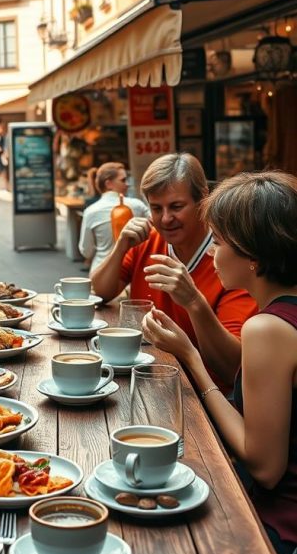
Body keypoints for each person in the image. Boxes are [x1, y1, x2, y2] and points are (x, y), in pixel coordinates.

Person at [142, 171, 297, 554]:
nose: (212, 252)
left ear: (253, 257)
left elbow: (265, 467)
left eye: (220, 241)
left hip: (281, 531)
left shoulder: (268, 329)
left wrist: (191, 358)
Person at [91, 153, 257, 391]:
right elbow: (101, 292)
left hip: (205, 393)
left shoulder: (232, 259)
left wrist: (193, 300)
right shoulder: (147, 240)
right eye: (156, 208)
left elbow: (233, 368)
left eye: (176, 207)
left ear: (203, 199)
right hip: (144, 376)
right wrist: (120, 247)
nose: (166, 219)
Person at [79, 163, 150, 272]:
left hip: (101, 270)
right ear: (108, 184)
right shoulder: (137, 205)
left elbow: (86, 251)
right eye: (123, 180)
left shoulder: (90, 211)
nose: (127, 184)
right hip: (133, 269)